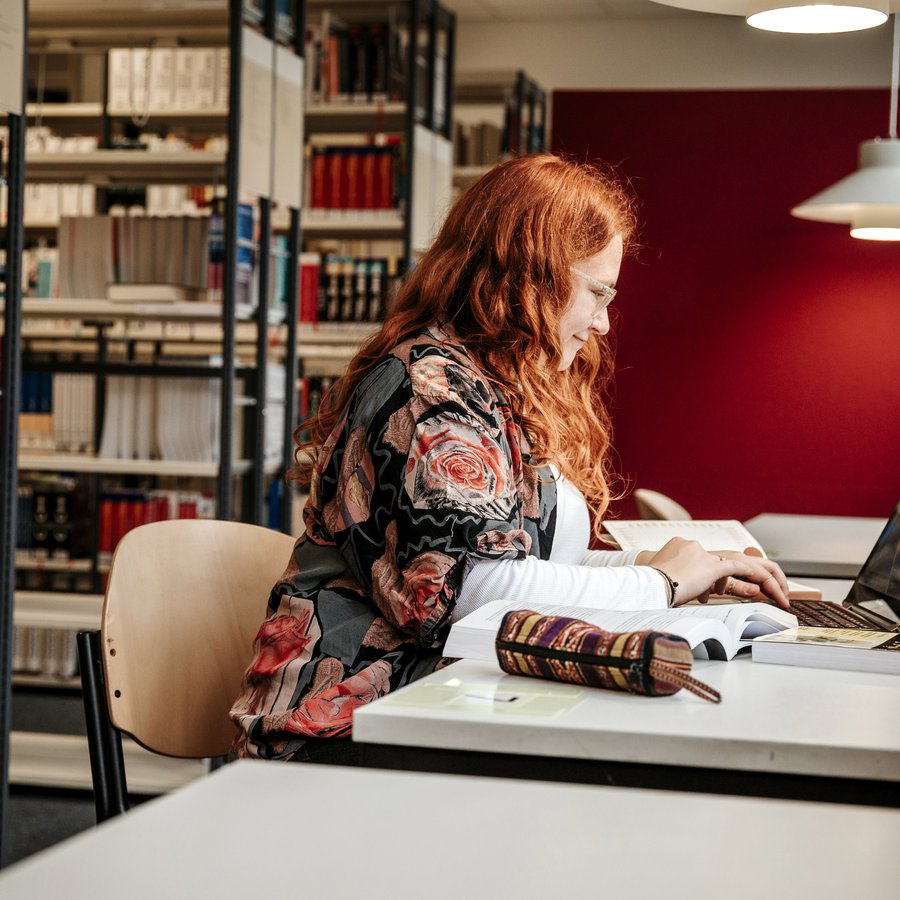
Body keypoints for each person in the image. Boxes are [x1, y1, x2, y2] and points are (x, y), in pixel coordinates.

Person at [229, 153, 790, 763]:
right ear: (530, 275)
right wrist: (662, 583)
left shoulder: (490, 383)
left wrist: (674, 570)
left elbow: (526, 564)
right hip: (352, 725)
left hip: (440, 704)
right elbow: (473, 588)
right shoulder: (431, 391)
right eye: (596, 291)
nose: (603, 322)